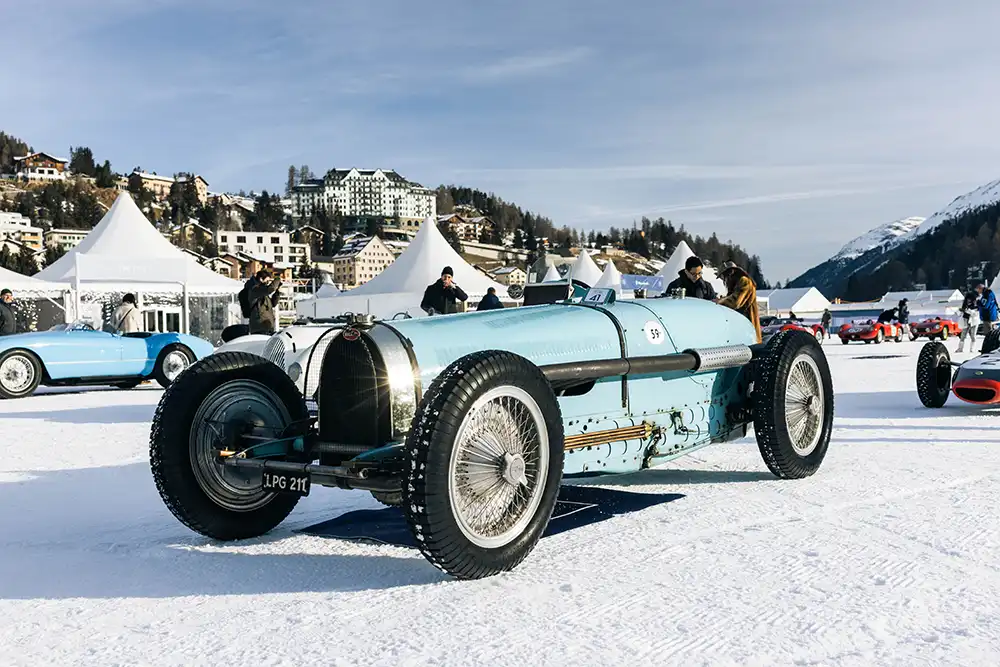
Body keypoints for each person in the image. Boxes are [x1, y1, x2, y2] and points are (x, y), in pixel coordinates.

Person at [717, 261, 762, 343]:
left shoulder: (745, 281)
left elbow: (736, 302)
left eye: (724, 276)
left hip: (747, 326)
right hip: (742, 325)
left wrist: (721, 301)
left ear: (731, 273)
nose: (724, 280)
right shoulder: (736, 284)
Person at [246, 269, 282, 334]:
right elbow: (270, 289)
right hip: (259, 328)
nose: (268, 283)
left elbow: (273, 304)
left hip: (268, 326)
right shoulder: (255, 290)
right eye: (267, 281)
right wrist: (277, 279)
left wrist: (277, 292)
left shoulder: (263, 294)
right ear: (261, 279)